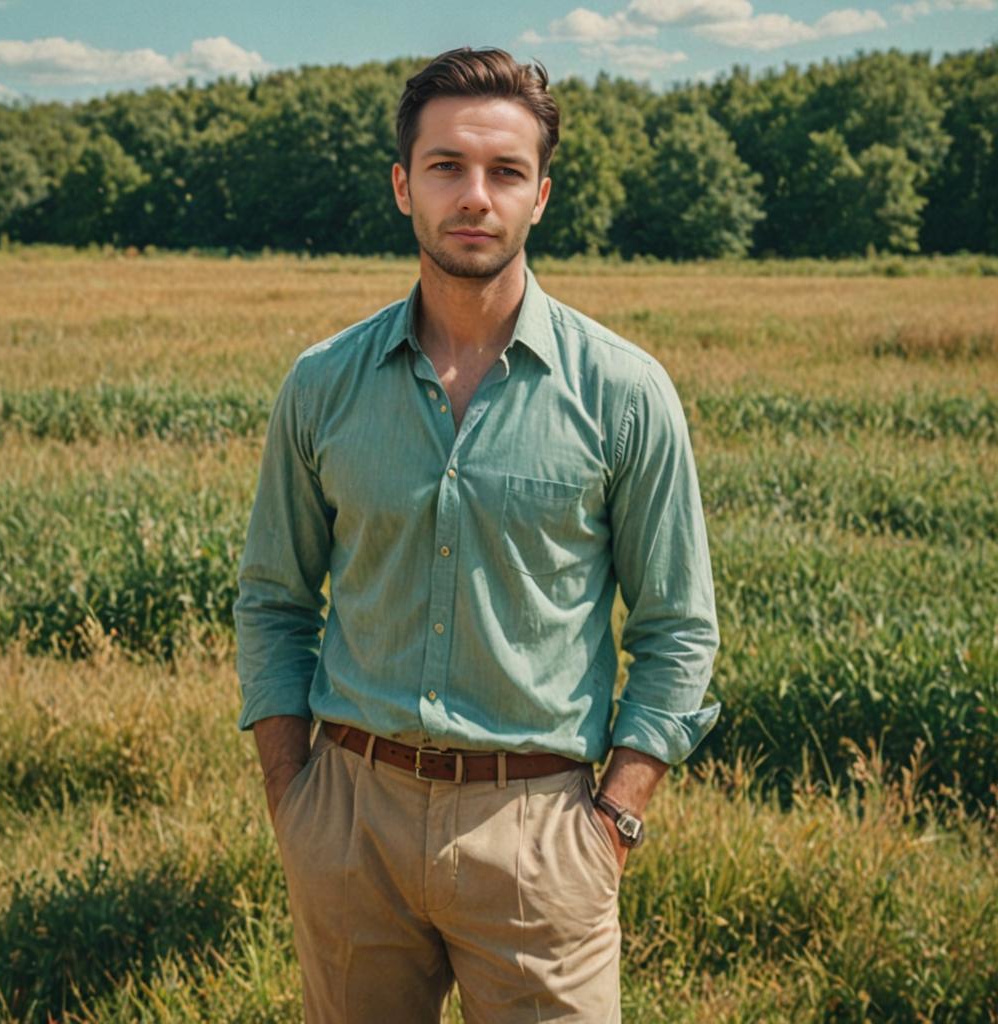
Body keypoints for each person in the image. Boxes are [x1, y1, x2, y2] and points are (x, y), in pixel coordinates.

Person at [234, 46, 720, 1024]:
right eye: (448, 166)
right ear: (402, 184)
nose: (474, 195)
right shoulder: (322, 383)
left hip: (539, 829)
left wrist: (612, 820)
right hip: (352, 824)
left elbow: (678, 629)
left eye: (504, 172)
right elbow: (273, 600)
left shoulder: (622, 392)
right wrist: (297, 804)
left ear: (539, 195)